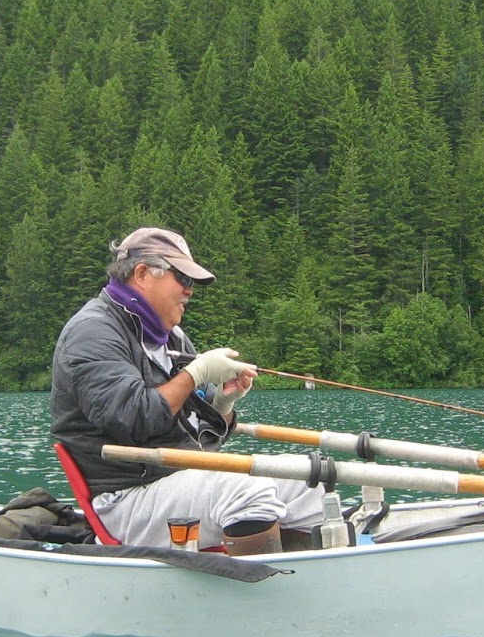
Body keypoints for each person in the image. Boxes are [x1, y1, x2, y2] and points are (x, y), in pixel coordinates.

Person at [50, 226, 326, 554]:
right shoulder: (92, 332)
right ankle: (267, 594)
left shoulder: (173, 337)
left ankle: (306, 579)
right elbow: (133, 417)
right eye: (182, 279)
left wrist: (223, 404)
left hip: (178, 481)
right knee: (246, 494)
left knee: (307, 482)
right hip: (125, 499)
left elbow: (200, 440)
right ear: (141, 274)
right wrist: (195, 375)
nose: (189, 291)